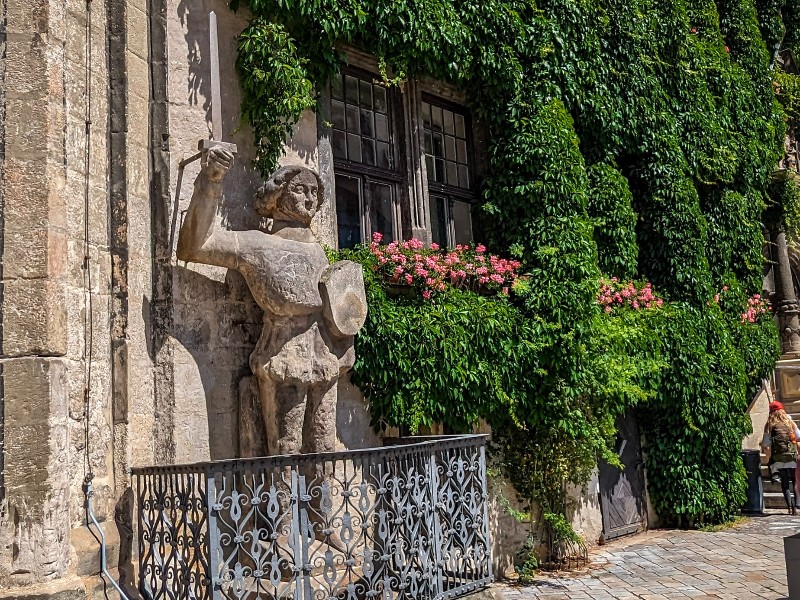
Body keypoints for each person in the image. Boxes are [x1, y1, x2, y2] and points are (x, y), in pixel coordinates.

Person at [761, 401, 800, 515]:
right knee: (794, 481)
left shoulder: (770, 424)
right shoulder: (789, 422)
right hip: (791, 456)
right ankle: (797, 505)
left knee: (784, 482)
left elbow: (765, 444)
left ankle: (790, 507)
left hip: (779, 458)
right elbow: (798, 436)